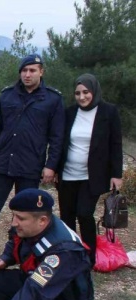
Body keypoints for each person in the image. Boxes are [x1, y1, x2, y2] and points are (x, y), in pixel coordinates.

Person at [0, 54, 65, 259]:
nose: (28, 74)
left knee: (26, 209)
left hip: (31, 164)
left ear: (41, 72)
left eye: (32, 70)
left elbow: (57, 137)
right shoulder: (7, 95)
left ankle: (14, 248)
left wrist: (51, 166)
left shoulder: (52, 99)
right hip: (4, 160)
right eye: (24, 70)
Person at [56, 73, 123, 265]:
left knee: (84, 213)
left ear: (94, 91)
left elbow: (116, 144)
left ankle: (88, 257)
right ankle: (69, 253)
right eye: (77, 93)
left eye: (86, 92)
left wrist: (116, 174)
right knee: (66, 216)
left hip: (92, 175)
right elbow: (60, 142)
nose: (81, 97)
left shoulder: (108, 112)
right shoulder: (69, 113)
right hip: (67, 174)